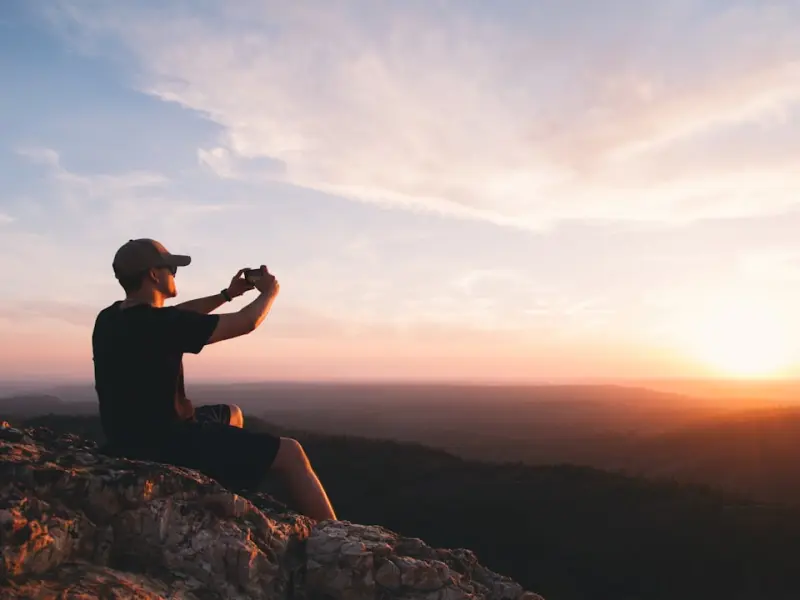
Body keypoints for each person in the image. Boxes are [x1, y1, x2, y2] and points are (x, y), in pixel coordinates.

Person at [91, 238, 336, 522]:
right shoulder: (159, 325)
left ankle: (221, 484)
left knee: (232, 414)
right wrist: (270, 292)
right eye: (171, 268)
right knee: (291, 453)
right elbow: (246, 322)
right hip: (164, 444)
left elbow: (179, 314)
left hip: (123, 438)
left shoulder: (109, 319)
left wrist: (226, 294)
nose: (174, 274)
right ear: (154, 275)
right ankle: (338, 540)